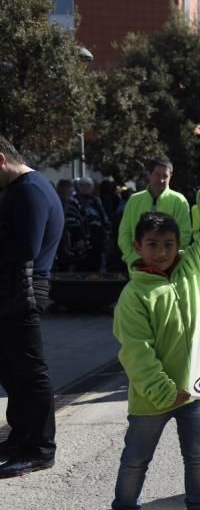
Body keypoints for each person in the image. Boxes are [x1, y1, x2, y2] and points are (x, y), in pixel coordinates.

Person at [110, 184, 200, 510]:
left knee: (199, 457)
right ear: (138, 247)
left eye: (168, 244)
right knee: (135, 462)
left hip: (194, 390)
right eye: (153, 244)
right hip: (151, 400)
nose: (161, 252)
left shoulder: (191, 267)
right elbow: (136, 352)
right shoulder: (134, 295)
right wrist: (163, 391)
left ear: (179, 245)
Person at [0, 135, 64, 477]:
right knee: (12, 371)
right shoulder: (20, 188)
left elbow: (25, 247)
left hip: (25, 290)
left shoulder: (29, 190)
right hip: (13, 290)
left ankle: (40, 448)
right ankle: (21, 437)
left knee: (29, 373)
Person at [117, 158, 192, 271]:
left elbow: (184, 235)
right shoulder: (134, 200)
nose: (161, 180)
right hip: (138, 267)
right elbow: (124, 233)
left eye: (165, 176)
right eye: (157, 175)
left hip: (168, 268)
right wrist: (133, 258)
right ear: (149, 174)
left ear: (170, 176)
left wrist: (168, 259)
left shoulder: (179, 201)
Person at [75, 177, 111, 271]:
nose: (85, 188)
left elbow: (104, 216)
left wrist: (107, 233)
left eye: (88, 185)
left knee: (97, 263)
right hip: (84, 238)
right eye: (82, 185)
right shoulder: (75, 200)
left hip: (98, 238)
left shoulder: (96, 200)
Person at [54, 178, 86, 271]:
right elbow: (72, 222)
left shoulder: (58, 201)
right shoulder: (68, 203)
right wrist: (78, 238)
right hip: (68, 241)